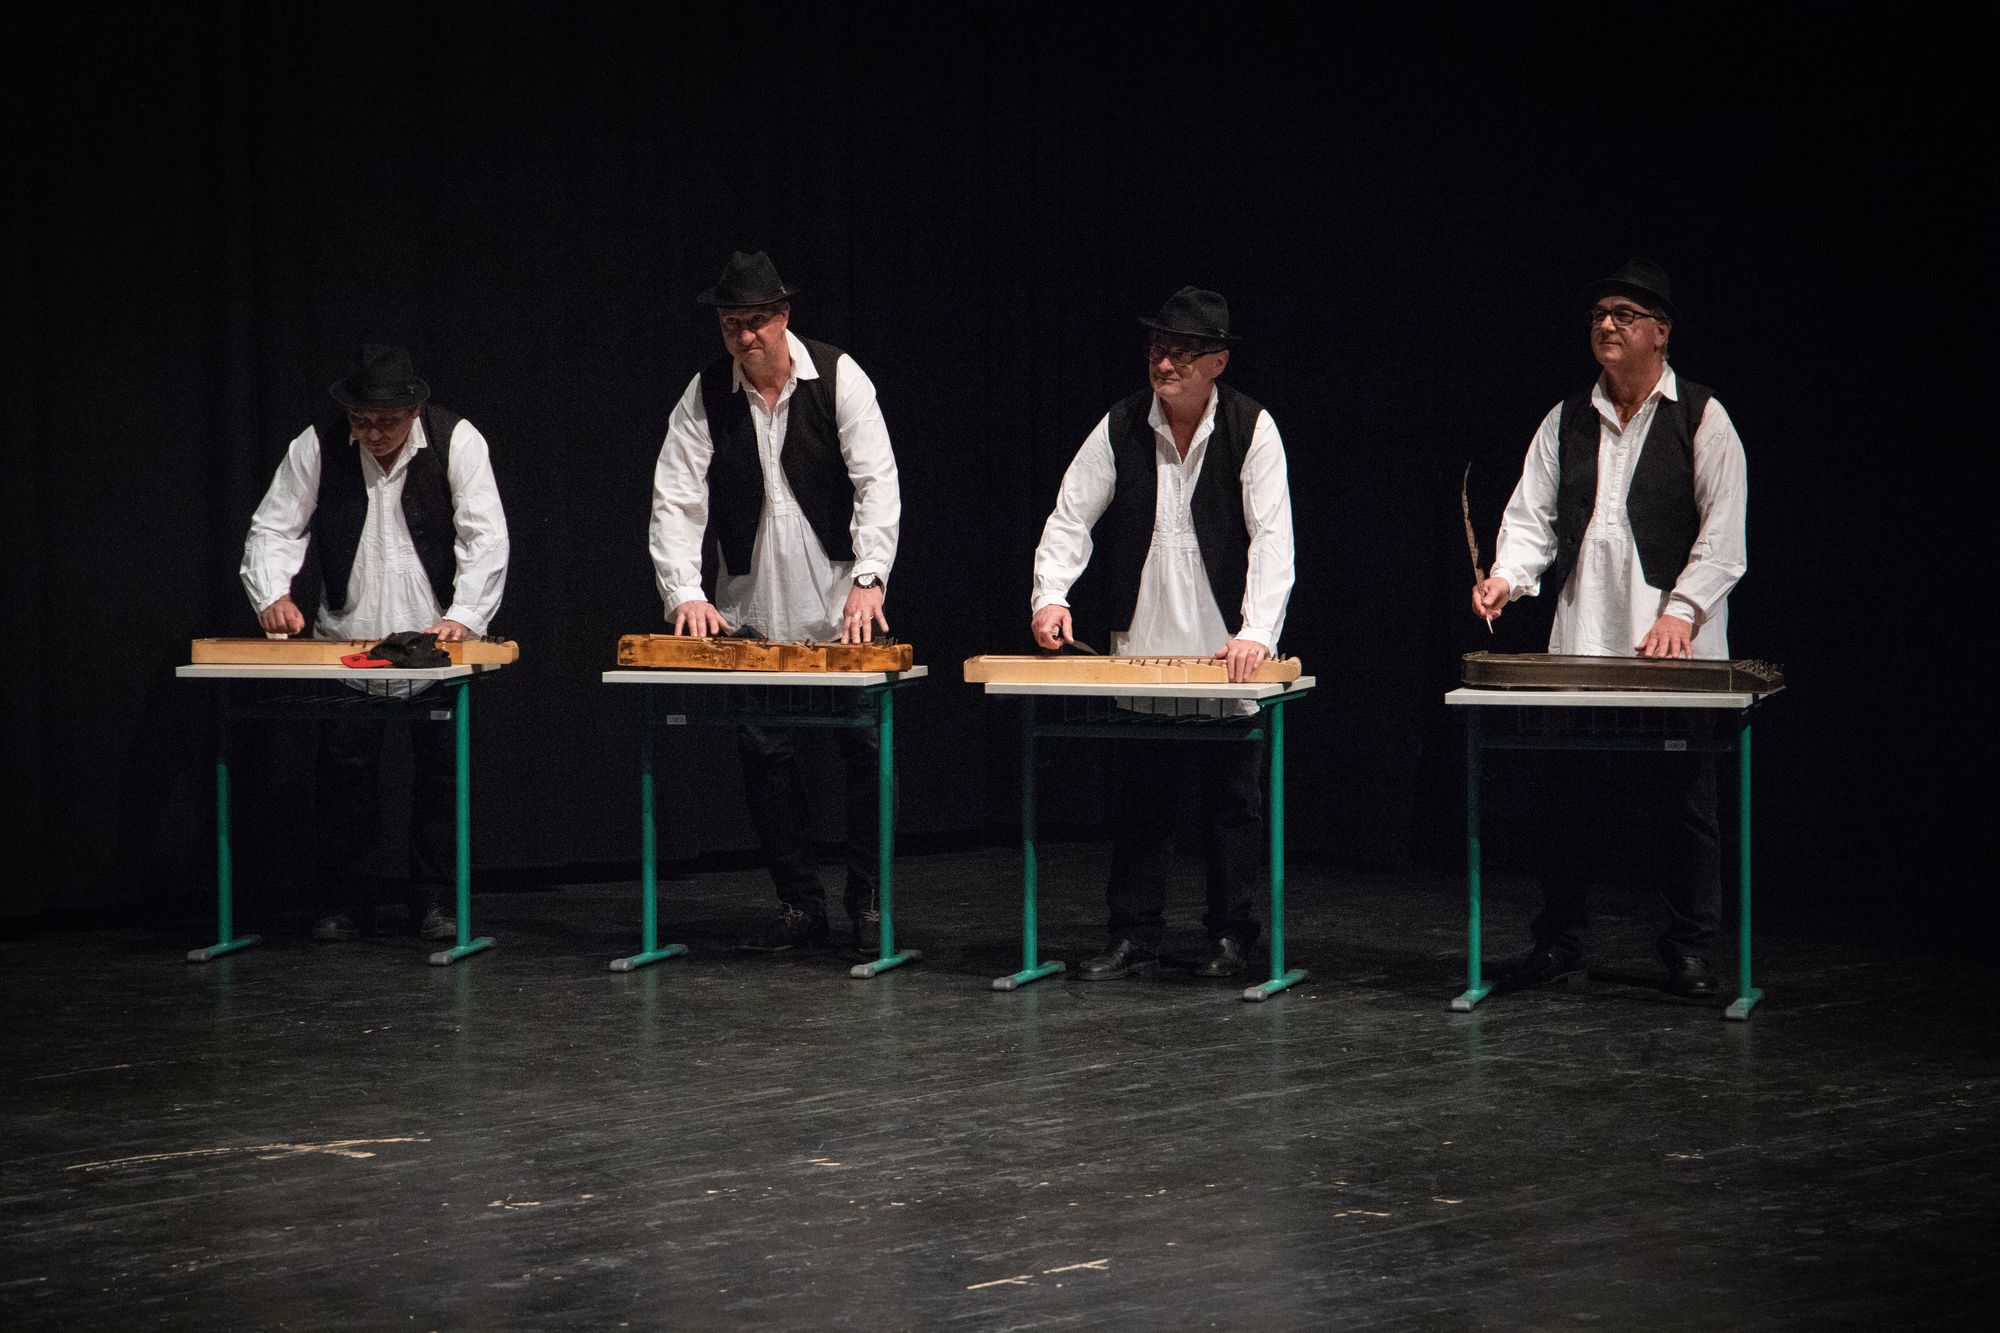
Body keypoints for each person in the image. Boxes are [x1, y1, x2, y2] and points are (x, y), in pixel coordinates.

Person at [1473, 258, 1749, 997]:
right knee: (1567, 798)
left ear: (1662, 332)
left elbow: (1724, 539)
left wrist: (1681, 612)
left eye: (1625, 315)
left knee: (1683, 804)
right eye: (1600, 313)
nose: (1607, 325)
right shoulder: (1566, 418)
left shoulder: (1701, 416)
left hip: (1672, 649)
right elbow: (1531, 518)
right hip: (1584, 639)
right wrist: (1506, 577)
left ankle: (1689, 948)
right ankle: (1560, 941)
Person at [1030, 286, 1296, 980]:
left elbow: (1273, 538)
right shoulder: (1122, 423)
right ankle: (1134, 933)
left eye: (1181, 352)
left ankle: (1232, 935)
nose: (1164, 362)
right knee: (1142, 799)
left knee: (1231, 803)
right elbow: (1070, 514)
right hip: (1146, 646)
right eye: (1157, 348)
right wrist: (1051, 595)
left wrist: (1256, 631)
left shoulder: (1250, 427)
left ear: (1218, 361)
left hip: (1225, 650)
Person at [649, 251, 901, 954]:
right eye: (732, 323)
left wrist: (870, 577)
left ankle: (868, 900)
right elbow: (676, 496)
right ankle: (799, 902)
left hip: (840, 608)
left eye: (756, 320)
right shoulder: (706, 392)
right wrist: (685, 591)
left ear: (783, 316)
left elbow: (877, 482)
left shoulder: (838, 377)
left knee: (865, 752)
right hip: (753, 607)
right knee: (765, 757)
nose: (744, 335)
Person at [241, 343, 510, 942]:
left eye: (386, 421)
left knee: (440, 778)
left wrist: (465, 615)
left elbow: (485, 536)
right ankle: (346, 900)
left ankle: (434, 901)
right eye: (362, 421)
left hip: (435, 644)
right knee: (345, 778)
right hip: (349, 639)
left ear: (412, 411)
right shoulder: (318, 444)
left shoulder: (456, 440)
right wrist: (271, 593)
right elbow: (274, 526)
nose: (373, 433)